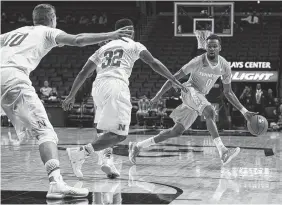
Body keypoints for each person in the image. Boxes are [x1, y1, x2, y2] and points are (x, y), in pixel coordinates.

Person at [0, 3, 134, 199]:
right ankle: (56, 183)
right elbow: (78, 40)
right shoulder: (47, 32)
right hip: (13, 76)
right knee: (46, 133)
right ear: (52, 19)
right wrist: (110, 35)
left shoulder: (13, 33)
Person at [62, 18, 186, 179]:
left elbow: (83, 73)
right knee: (120, 134)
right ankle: (81, 153)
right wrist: (173, 80)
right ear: (132, 31)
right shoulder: (134, 45)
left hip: (98, 87)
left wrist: (72, 95)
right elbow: (154, 63)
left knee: (104, 128)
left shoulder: (104, 47)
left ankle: (106, 160)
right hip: (116, 86)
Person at [129, 34, 257, 165]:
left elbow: (228, 92)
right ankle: (223, 151)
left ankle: (138, 146)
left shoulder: (224, 66)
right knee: (210, 112)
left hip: (199, 96)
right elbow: (174, 77)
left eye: (215, 46)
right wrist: (158, 96)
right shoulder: (197, 61)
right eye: (209, 46)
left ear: (220, 48)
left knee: (176, 131)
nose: (212, 48)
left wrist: (244, 111)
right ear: (206, 47)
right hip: (189, 90)